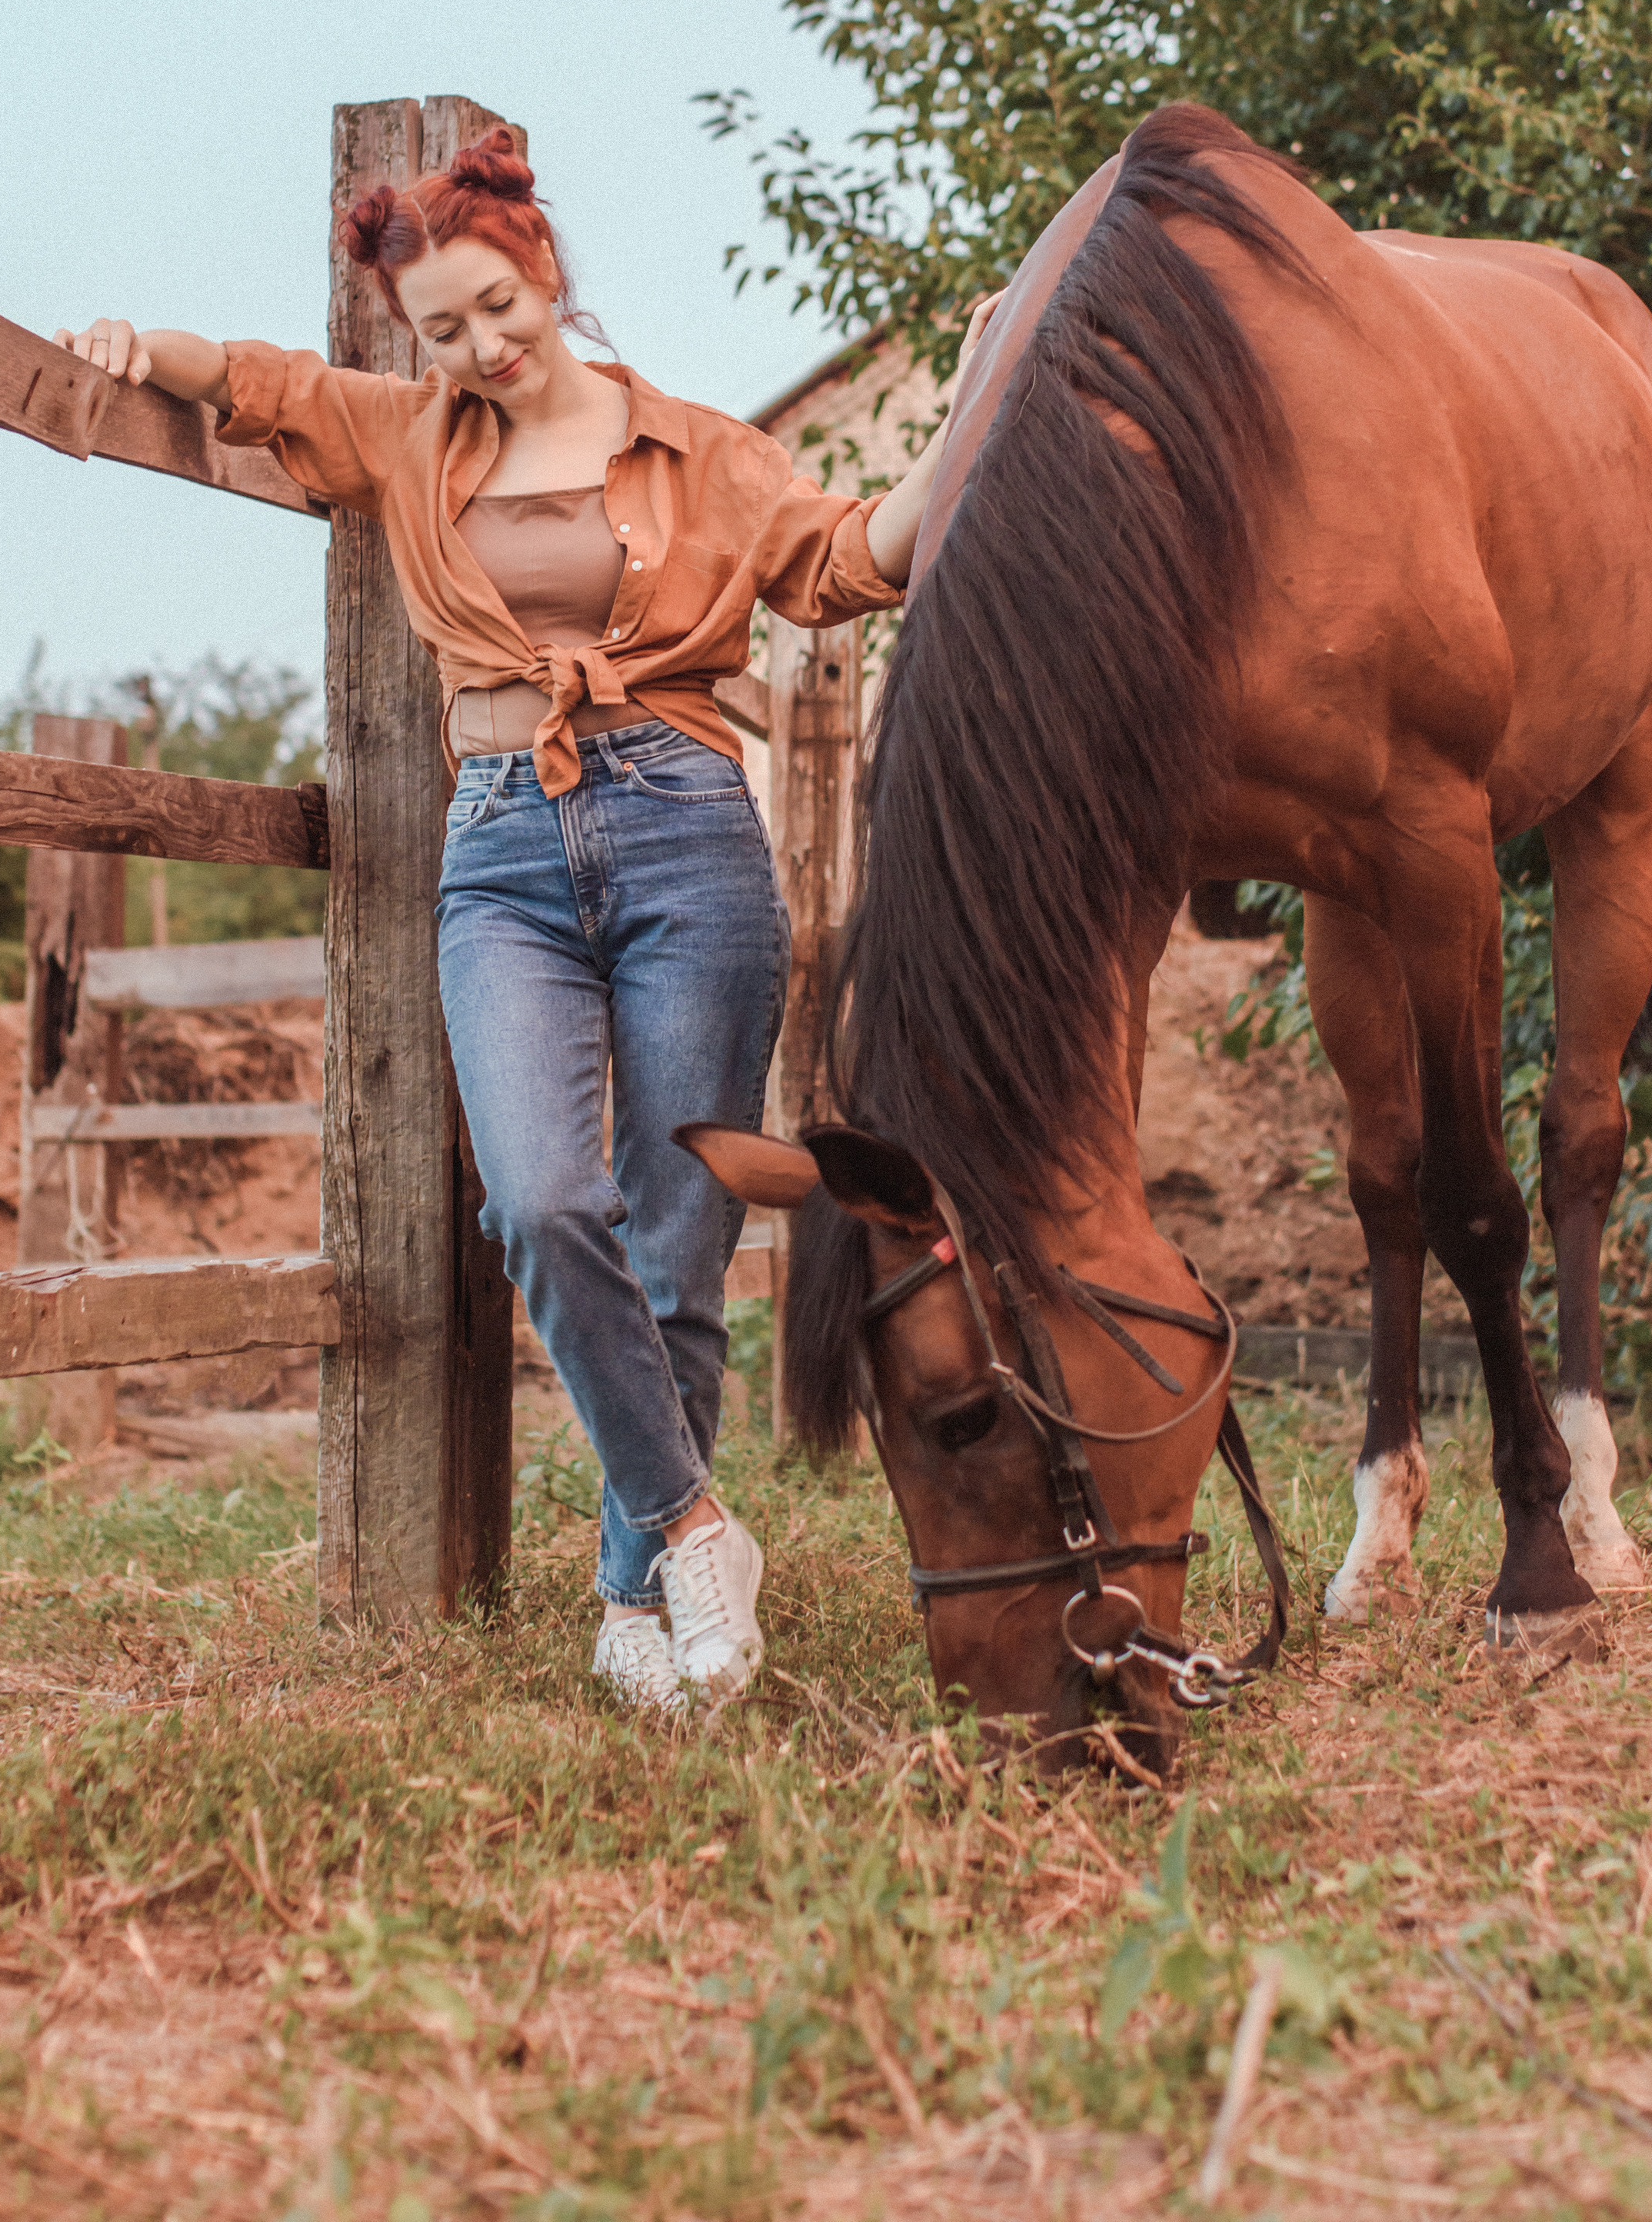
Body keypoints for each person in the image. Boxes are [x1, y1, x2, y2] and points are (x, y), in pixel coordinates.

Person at [57, 128, 994, 1723]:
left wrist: (968, 418)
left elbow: (847, 564)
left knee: (678, 1233)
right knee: (542, 1206)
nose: (481, 346)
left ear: (542, 269)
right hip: (500, 851)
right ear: (412, 340)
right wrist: (142, 345)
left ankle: (637, 1607)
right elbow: (270, 385)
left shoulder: (700, 451)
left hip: (687, 836)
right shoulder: (412, 440)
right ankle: (700, 1530)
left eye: (497, 306)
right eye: (442, 329)